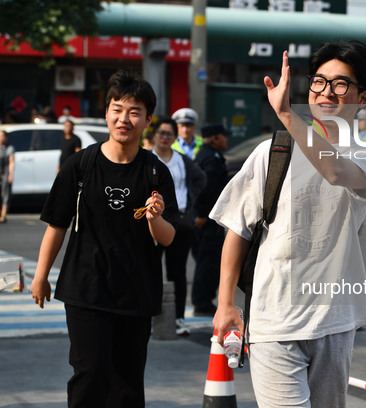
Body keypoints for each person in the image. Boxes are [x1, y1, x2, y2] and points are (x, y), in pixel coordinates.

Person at [211, 40, 366, 407]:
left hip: (334, 321)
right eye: (319, 82)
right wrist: (225, 302)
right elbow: (239, 228)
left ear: (363, 97)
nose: (325, 93)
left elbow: (336, 172)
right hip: (273, 318)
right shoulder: (272, 151)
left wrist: (289, 115)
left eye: (340, 84)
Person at [30, 70, 177, 408]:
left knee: (126, 383)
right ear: (106, 113)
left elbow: (167, 238)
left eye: (134, 111)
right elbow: (56, 224)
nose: (124, 118)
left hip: (136, 292)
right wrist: (41, 276)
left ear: (147, 120)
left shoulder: (155, 172)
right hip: (85, 289)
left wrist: (155, 218)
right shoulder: (80, 165)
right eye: (117, 108)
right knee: (90, 373)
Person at [152, 117, 206, 335]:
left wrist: (190, 204)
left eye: (169, 134)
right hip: (152, 222)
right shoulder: (146, 160)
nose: (165, 137)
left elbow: (201, 179)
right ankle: (150, 316)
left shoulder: (182, 160)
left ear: (174, 138)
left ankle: (178, 318)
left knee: (178, 273)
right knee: (151, 270)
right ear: (154, 135)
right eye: (161, 133)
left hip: (180, 223)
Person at [191, 123, 230, 316]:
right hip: (208, 218)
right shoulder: (212, 159)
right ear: (215, 138)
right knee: (208, 262)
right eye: (223, 136)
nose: (226, 140)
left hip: (206, 217)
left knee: (207, 260)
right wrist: (201, 214)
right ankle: (202, 302)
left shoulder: (206, 155)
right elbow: (207, 190)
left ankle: (203, 301)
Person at [0, 130, 15, 223]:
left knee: (5, 194)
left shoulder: (10, 148)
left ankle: (3, 215)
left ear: (6, 137)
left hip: (5, 174)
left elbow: (11, 162)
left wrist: (10, 175)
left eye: (2, 136)